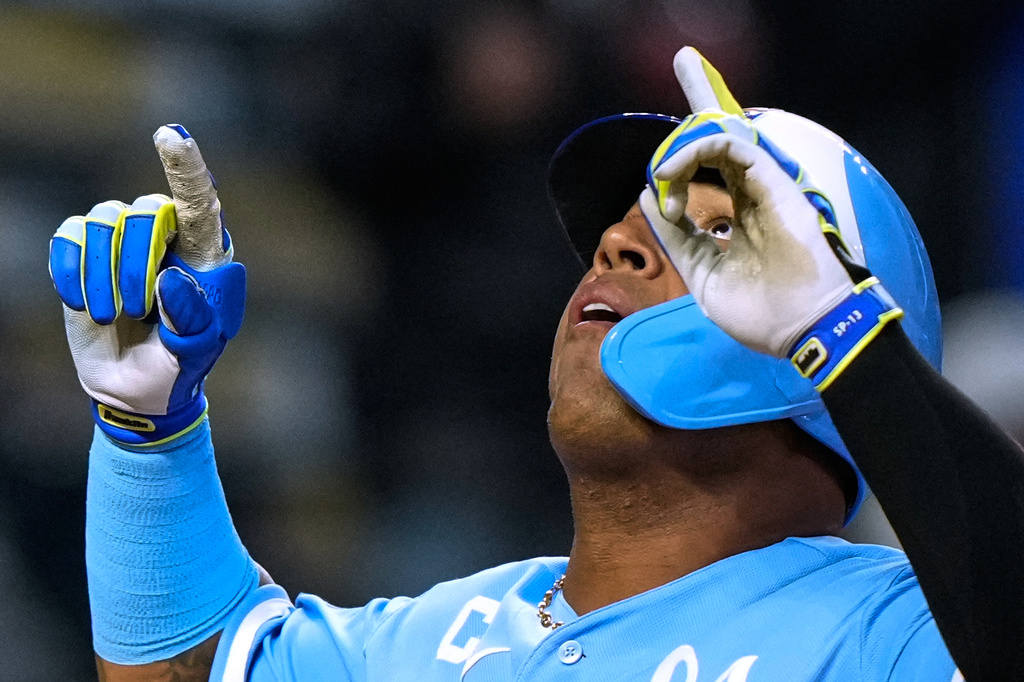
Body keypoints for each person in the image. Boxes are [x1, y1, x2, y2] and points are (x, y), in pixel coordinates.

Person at [48, 47, 1024, 681]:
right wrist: (151, 435)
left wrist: (846, 340)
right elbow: (194, 664)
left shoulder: (889, 635)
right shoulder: (443, 633)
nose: (615, 246)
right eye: (619, 227)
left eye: (714, 235)